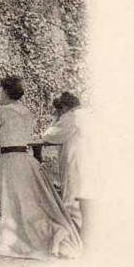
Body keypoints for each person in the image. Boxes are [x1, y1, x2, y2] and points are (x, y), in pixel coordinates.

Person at [0, 76, 82, 259]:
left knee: (9, 202)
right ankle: (48, 234)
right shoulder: (26, 112)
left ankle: (18, 236)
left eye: (0, 91)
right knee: (27, 204)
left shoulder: (0, 111)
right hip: (26, 160)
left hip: (9, 161)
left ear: (5, 92)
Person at [42, 92, 93, 241]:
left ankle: (74, 236)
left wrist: (55, 119)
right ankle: (85, 234)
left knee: (71, 195)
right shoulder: (87, 115)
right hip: (90, 159)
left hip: (76, 160)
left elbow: (49, 135)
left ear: (64, 107)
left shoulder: (71, 117)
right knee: (84, 196)